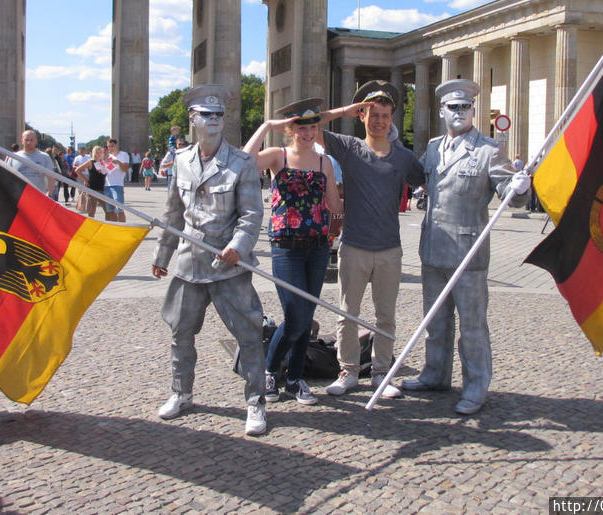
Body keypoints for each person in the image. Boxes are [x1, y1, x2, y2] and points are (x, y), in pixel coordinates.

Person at [400, 80, 530, 415]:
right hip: (433, 248)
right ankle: (435, 373)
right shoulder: (431, 147)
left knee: (472, 325)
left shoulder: (489, 150)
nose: (459, 113)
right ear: (441, 111)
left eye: (465, 107)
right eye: (452, 108)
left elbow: (509, 196)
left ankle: (476, 384)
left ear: (473, 110)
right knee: (436, 321)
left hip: (468, 252)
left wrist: (520, 187)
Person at [151, 85, 268, 436]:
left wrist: (239, 246)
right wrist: (162, 255)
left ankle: (255, 402)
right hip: (189, 264)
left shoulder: (242, 162)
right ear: (192, 119)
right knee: (180, 333)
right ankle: (181, 393)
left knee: (248, 335)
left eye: (219, 115)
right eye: (207, 115)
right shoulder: (182, 162)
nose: (214, 121)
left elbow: (251, 214)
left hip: (227, 265)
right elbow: (174, 212)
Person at [315, 80, 425, 399]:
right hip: (353, 247)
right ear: (363, 116)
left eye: (385, 115)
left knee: (385, 317)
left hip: (390, 249)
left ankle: (380, 373)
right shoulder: (349, 148)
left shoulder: (403, 157)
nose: (379, 120)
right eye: (372, 114)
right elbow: (309, 123)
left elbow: (430, 182)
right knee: (347, 313)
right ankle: (348, 372)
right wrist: (346, 110)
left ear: (392, 118)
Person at [243, 98, 343, 406]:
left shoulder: (325, 162)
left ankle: (296, 379)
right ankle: (271, 370)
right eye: (302, 128)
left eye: (313, 127)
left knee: (307, 313)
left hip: (317, 246)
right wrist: (265, 126)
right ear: (291, 130)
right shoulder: (278, 156)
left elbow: (334, 205)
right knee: (294, 315)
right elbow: (243, 162)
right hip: (285, 246)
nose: (308, 133)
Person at [7, 130, 55, 195]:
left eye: (31, 140)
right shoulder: (14, 157)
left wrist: (49, 194)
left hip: (39, 196)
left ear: (36, 141)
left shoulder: (45, 157)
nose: (29, 142)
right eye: (26, 140)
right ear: (22, 141)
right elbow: (8, 177)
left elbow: (51, 178)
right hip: (20, 197)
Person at [75, 146, 109, 219]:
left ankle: (107, 225)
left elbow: (107, 174)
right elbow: (78, 170)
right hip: (92, 189)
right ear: (94, 153)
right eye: (97, 152)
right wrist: (85, 180)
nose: (99, 154)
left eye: (101, 152)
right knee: (92, 211)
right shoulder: (90, 162)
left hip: (102, 189)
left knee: (107, 210)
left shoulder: (103, 162)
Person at [103, 138, 129, 222]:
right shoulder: (108, 157)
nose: (110, 148)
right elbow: (105, 171)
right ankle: (114, 228)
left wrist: (119, 163)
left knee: (120, 210)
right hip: (107, 185)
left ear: (116, 145)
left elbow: (125, 169)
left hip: (117, 185)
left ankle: (122, 228)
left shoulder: (123, 155)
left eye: (112, 146)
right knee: (110, 211)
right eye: (108, 147)